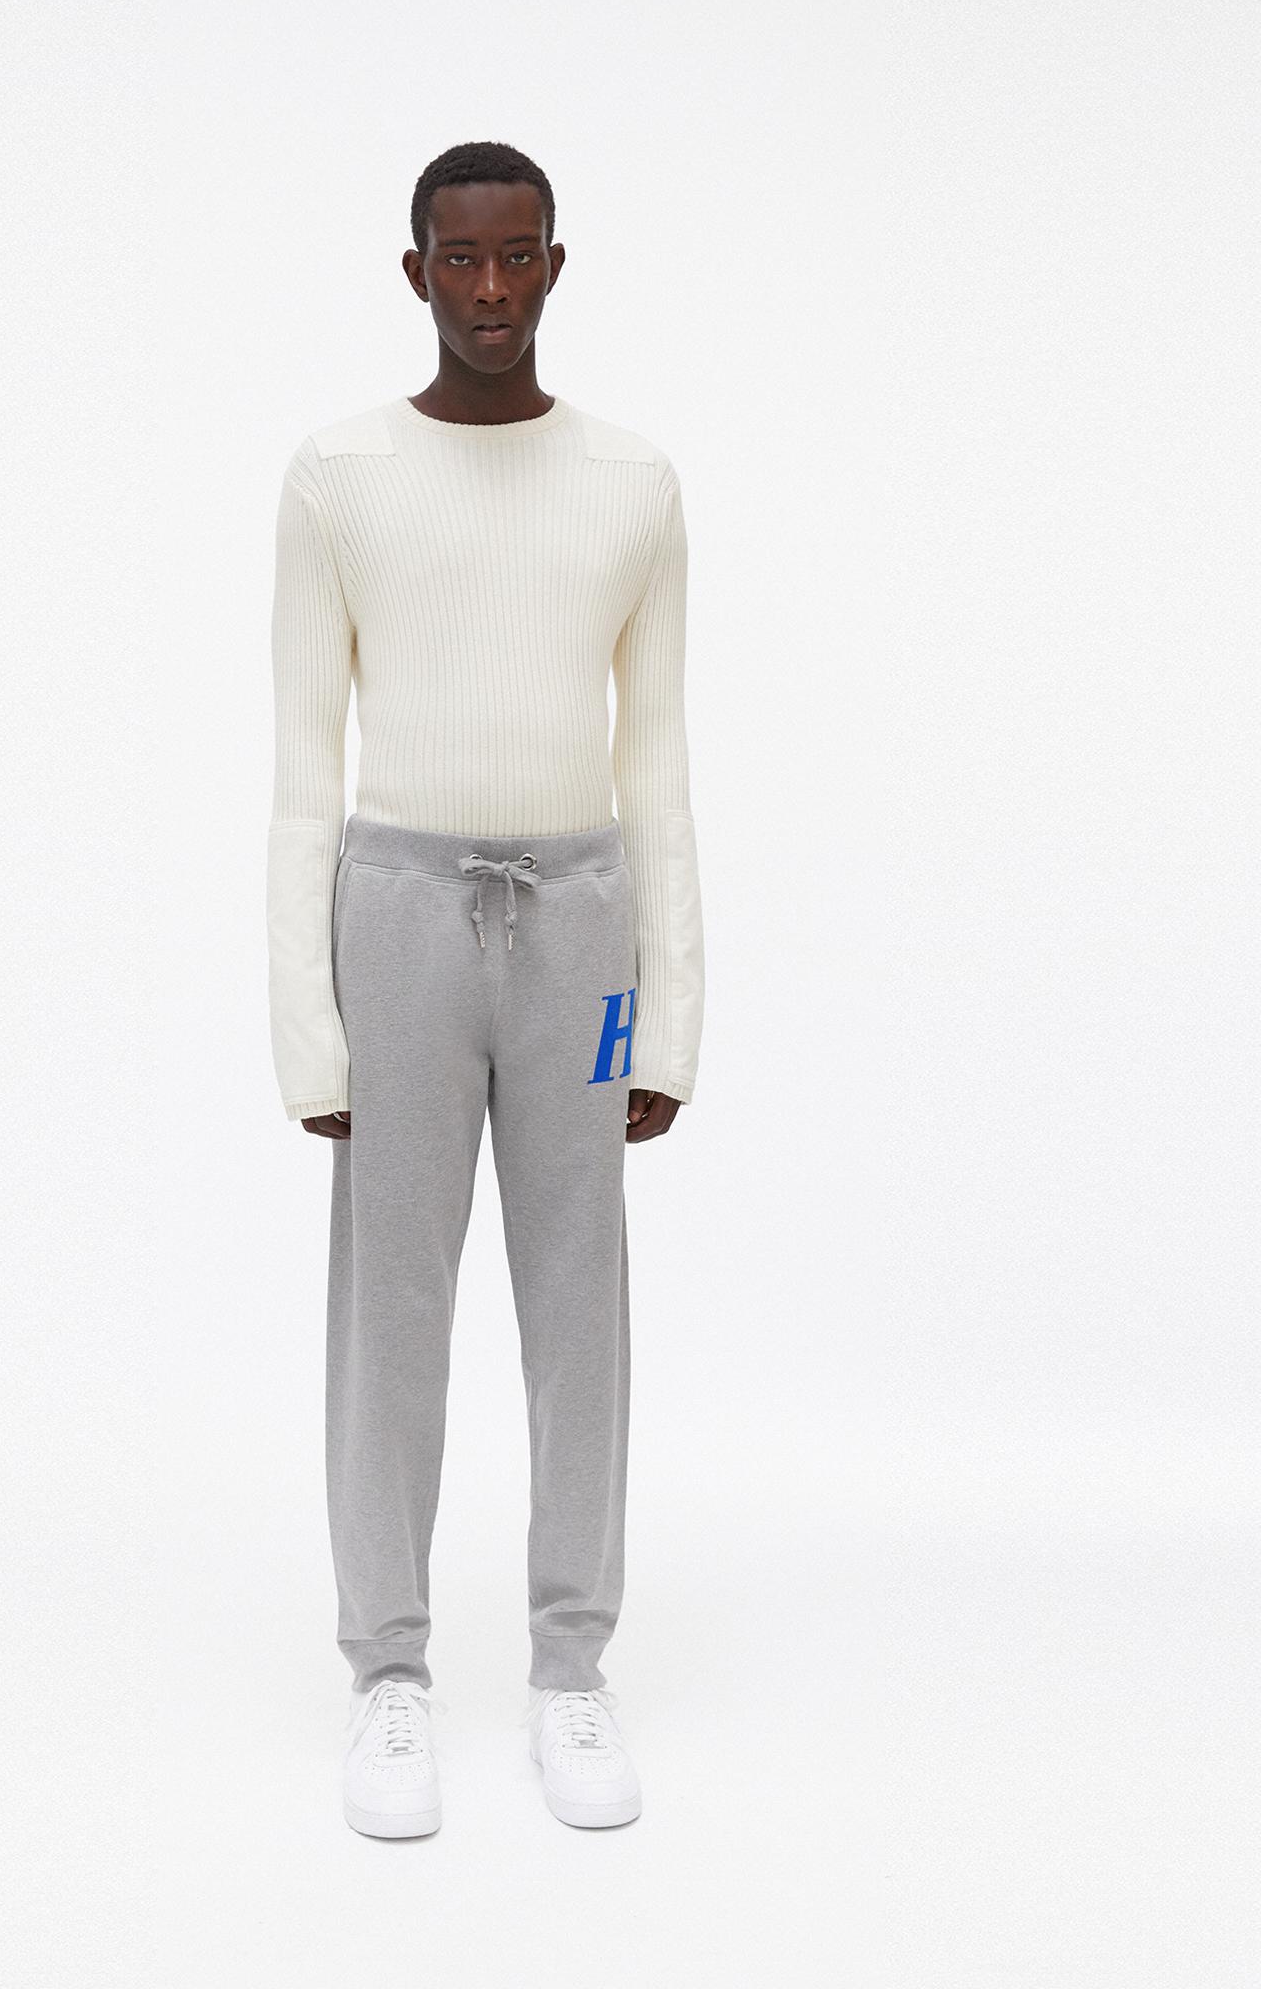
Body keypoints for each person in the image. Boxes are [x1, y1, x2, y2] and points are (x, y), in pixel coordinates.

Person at [265, 139, 705, 1837]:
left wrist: (669, 1012)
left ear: (556, 265)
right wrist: (309, 1026)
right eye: (463, 258)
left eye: (520, 255)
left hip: (581, 924)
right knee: (392, 1311)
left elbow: (656, 759)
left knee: (580, 1303)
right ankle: (388, 1672)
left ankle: (570, 1666)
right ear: (417, 273)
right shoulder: (339, 478)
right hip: (399, 918)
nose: (494, 288)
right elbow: (304, 767)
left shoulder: (633, 484)